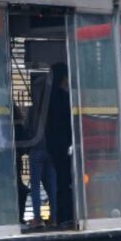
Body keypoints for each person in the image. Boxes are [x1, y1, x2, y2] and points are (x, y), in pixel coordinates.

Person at [44, 63, 74, 228]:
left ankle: (60, 216)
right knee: (65, 182)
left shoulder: (49, 97)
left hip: (53, 146)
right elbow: (69, 124)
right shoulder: (63, 97)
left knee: (58, 183)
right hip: (64, 147)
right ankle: (66, 215)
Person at [26, 72, 55, 228]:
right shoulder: (51, 104)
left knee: (36, 186)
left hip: (36, 148)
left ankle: (37, 218)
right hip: (50, 148)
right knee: (53, 185)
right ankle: (54, 216)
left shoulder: (34, 108)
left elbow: (28, 127)